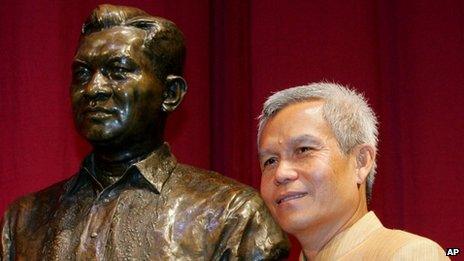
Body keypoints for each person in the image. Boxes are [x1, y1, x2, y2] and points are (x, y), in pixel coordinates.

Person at [1, 4, 289, 260]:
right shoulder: (24, 220)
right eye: (83, 74)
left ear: (170, 93)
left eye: (118, 71)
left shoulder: (234, 216)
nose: (94, 89)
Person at [257, 82, 448, 260]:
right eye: (270, 161)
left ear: (361, 162)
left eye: (304, 150)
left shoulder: (409, 254)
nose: (281, 173)